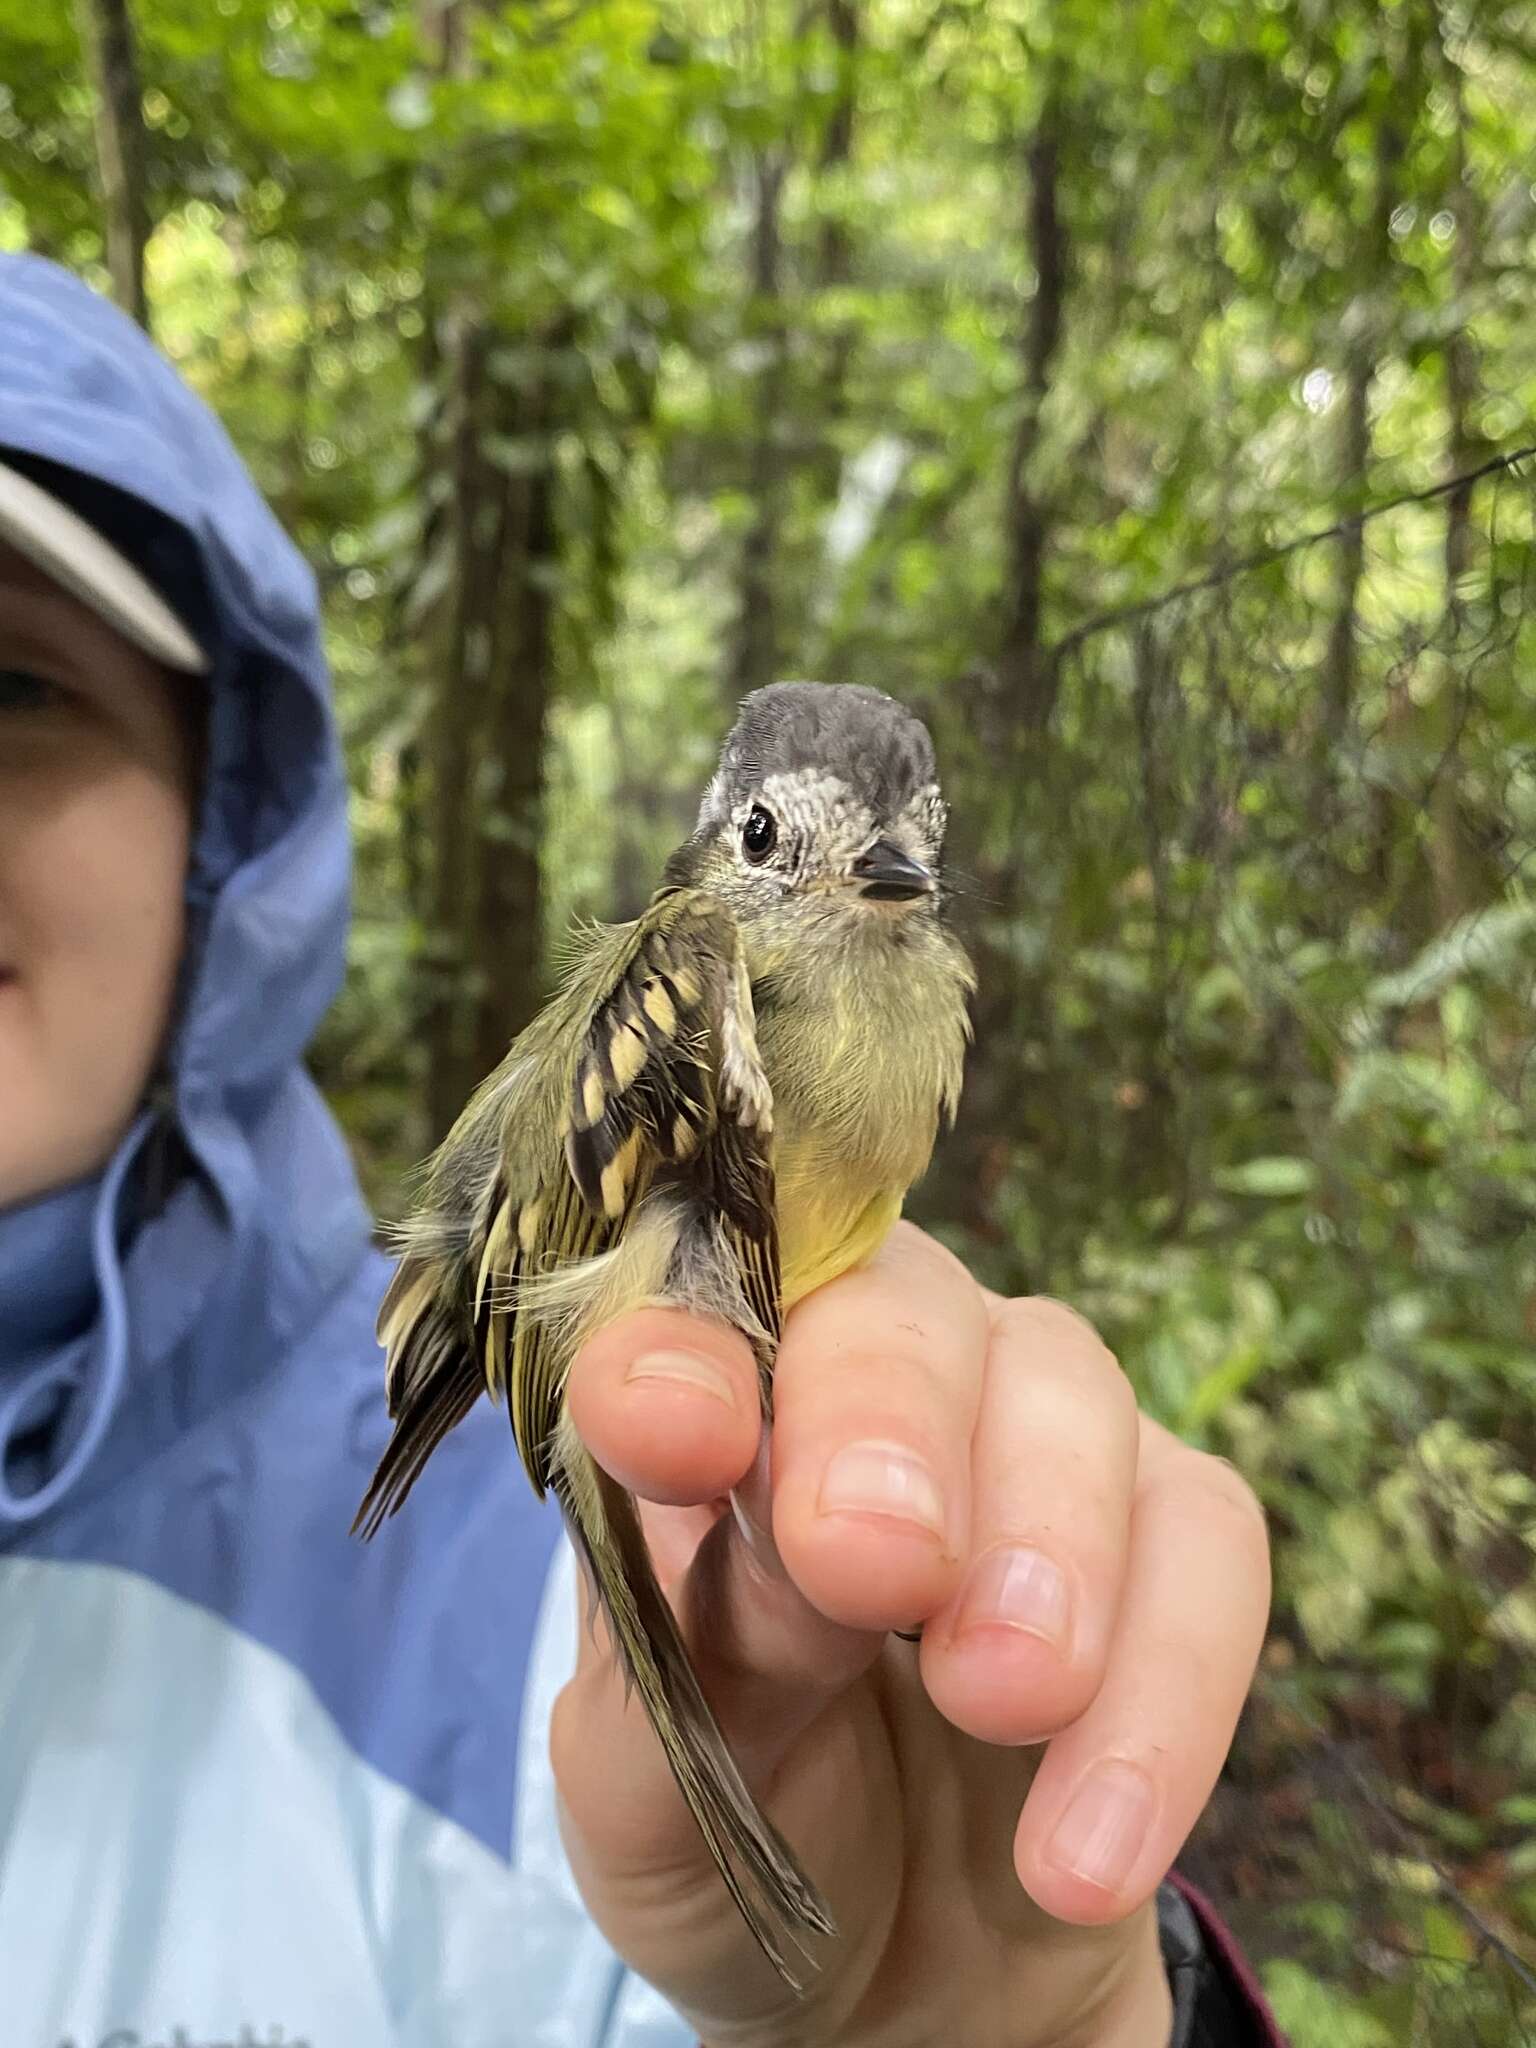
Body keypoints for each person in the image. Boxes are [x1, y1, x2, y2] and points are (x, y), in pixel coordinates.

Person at [0, 251, 1283, 2047]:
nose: (858, 882)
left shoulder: (506, 1655)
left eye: (12, 692)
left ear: (224, 818)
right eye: (782, 841)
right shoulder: (693, 977)